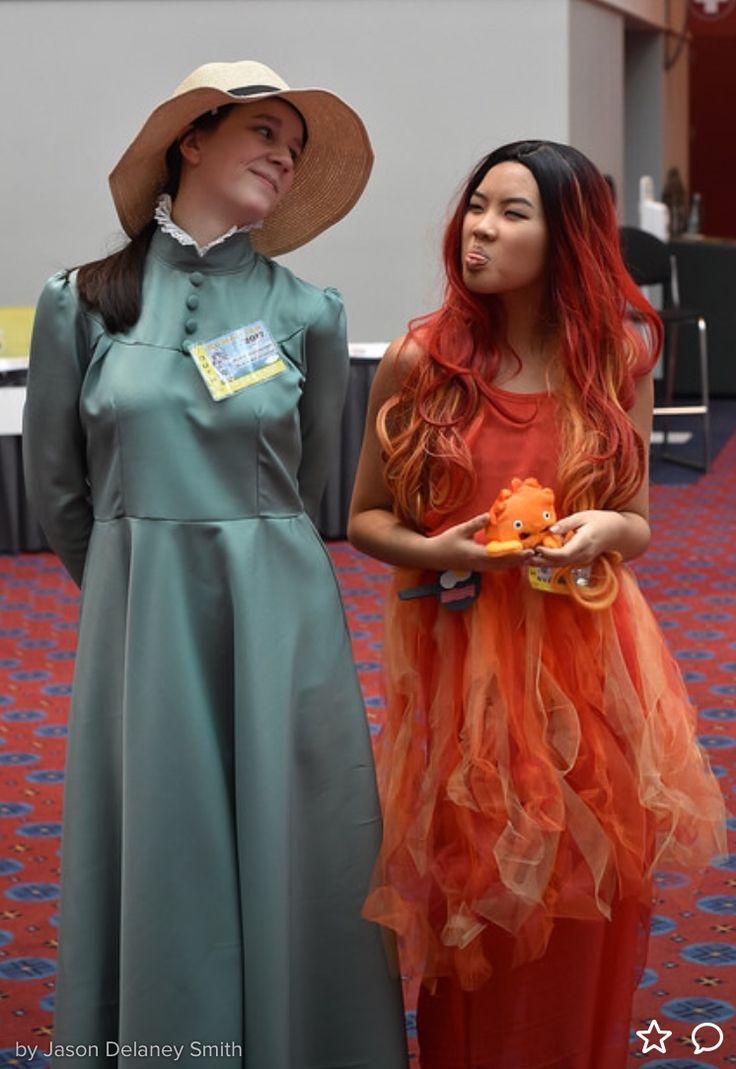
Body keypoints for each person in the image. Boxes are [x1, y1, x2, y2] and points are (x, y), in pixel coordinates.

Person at [23, 60, 408, 1068]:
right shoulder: (79, 303)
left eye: (296, 147)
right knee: (160, 844)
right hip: (140, 617)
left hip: (278, 617)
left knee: (298, 843)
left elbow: (312, 475)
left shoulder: (309, 309)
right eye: (266, 132)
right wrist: (132, 580)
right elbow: (60, 491)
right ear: (192, 138)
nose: (283, 157)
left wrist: (225, 548)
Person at [348, 140, 726, 1069]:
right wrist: (431, 549)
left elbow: (635, 521)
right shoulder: (420, 359)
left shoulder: (614, 360)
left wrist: (603, 528)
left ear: (569, 238)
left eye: (513, 212)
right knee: (476, 904)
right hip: (462, 667)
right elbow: (363, 517)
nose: (481, 226)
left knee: (577, 898)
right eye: (477, 204)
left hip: (587, 664)